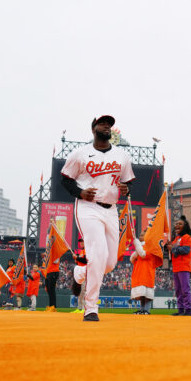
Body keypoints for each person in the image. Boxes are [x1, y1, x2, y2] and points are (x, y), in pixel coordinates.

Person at [61, 115, 135, 322]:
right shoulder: (80, 154)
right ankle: (91, 307)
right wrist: (80, 193)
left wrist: (127, 189)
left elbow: (129, 184)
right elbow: (65, 180)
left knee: (109, 263)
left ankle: (80, 272)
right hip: (88, 207)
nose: (107, 126)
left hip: (111, 209)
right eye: (103, 123)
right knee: (98, 253)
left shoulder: (122, 156)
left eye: (109, 124)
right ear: (93, 128)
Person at [167, 216, 191, 316]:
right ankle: (180, 310)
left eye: (180, 224)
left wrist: (173, 249)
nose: (177, 225)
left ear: (185, 226)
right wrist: (168, 247)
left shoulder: (187, 237)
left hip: (184, 267)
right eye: (176, 224)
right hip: (176, 268)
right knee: (178, 290)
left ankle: (187, 310)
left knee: (185, 289)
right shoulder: (175, 239)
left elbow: (186, 250)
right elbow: (172, 252)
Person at [130, 230, 162, 315]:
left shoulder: (151, 247)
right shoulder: (140, 247)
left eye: (142, 235)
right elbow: (132, 259)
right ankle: (142, 309)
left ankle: (147, 310)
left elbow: (143, 254)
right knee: (142, 294)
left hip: (147, 272)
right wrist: (137, 249)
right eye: (140, 235)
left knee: (147, 293)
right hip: (139, 272)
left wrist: (136, 244)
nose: (140, 237)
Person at [71, 238, 88, 313]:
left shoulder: (87, 250)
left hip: (85, 272)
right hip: (81, 272)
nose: (81, 243)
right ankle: (79, 307)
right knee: (80, 291)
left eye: (82, 242)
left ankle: (83, 308)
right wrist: (77, 259)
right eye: (80, 242)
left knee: (83, 290)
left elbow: (85, 260)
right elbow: (80, 262)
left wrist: (77, 258)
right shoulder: (82, 251)